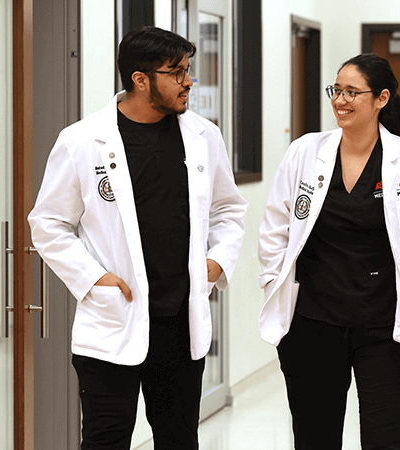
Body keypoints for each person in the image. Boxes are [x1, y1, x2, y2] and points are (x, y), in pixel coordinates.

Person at [28, 26, 246, 449]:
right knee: (105, 440)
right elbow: (48, 223)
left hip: (180, 324)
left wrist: (217, 262)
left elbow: (229, 210)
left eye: (188, 70)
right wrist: (93, 279)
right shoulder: (81, 141)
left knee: (178, 439)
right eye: (177, 73)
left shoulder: (204, 137)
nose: (188, 82)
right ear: (140, 79)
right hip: (115, 319)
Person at [257, 53, 400, 449]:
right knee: (315, 436)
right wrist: (272, 281)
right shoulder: (305, 152)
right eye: (336, 90)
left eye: (352, 92)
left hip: (384, 326)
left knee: (385, 437)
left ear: (381, 99)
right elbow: (276, 225)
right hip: (312, 322)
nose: (340, 100)